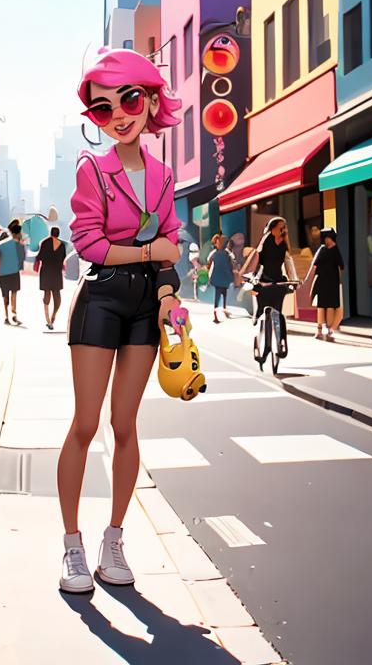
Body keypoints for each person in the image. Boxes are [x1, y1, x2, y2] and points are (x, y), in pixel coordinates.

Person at [60, 47, 184, 594]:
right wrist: (150, 251)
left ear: (151, 99)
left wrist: (165, 292)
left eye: (129, 99)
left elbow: (172, 247)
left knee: (126, 426)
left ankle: (115, 538)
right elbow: (89, 244)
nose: (120, 115)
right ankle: (72, 546)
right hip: (101, 300)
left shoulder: (162, 176)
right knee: (86, 425)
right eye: (104, 109)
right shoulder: (94, 170)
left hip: (144, 309)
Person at [241, 217, 298, 323]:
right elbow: (256, 257)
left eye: (284, 228)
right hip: (263, 279)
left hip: (277, 279)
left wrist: (294, 279)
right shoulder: (266, 242)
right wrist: (247, 274)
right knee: (261, 303)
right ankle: (258, 316)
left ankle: (278, 329)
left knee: (279, 300)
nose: (282, 230)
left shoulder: (283, 246)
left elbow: (288, 262)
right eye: (280, 227)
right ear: (272, 229)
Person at [306, 227, 345, 340]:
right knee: (321, 305)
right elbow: (315, 265)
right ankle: (319, 330)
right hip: (322, 280)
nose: (326, 240)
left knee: (331, 306)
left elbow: (341, 266)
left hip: (332, 282)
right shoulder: (323, 249)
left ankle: (328, 330)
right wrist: (309, 279)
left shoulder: (334, 250)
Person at [0, 219, 27, 325]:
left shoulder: (1, 244)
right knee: (14, 294)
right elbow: (22, 259)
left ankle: (6, 316)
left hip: (3, 274)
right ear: (18, 233)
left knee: (5, 296)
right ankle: (14, 314)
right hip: (14, 273)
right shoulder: (20, 246)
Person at [34, 226, 67, 330]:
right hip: (56, 273)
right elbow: (63, 259)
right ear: (58, 234)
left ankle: (48, 320)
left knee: (46, 295)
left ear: (50, 232)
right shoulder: (62, 245)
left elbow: (39, 256)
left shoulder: (45, 242)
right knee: (57, 296)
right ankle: (53, 316)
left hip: (46, 272)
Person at [206, 233, 236, 324]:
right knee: (221, 294)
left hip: (220, 277)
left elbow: (209, 261)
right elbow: (233, 262)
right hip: (222, 277)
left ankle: (221, 311)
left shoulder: (217, 253)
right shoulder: (225, 253)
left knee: (221, 294)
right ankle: (219, 312)